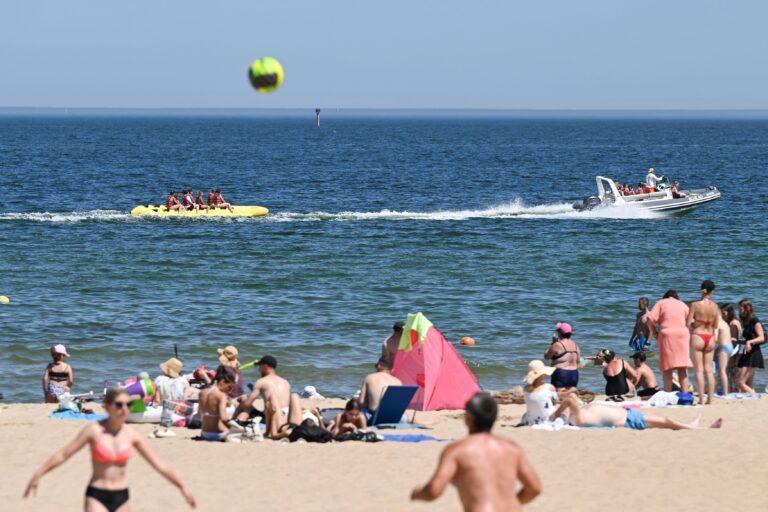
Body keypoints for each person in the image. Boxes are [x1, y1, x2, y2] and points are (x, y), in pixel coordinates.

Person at [24, 387, 196, 509]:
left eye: (128, 405)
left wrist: (183, 488)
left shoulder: (131, 434)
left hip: (122, 496)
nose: (124, 409)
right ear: (107, 406)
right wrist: (39, 474)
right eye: (119, 405)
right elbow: (64, 454)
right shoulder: (93, 430)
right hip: (97, 495)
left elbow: (158, 464)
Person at [411, 392, 542, 511]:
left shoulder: (456, 451)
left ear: (468, 419)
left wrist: (417, 493)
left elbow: (434, 491)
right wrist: (512, 502)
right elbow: (534, 488)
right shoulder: (512, 448)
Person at [550, 392, 722, 430]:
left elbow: (571, 399)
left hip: (628, 414)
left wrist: (559, 412)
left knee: (665, 420)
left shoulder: (577, 414)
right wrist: (557, 413)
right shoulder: (577, 418)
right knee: (666, 420)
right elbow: (570, 398)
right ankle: (695, 428)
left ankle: (690, 425)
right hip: (629, 420)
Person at [645, 289, 692, 392]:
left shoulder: (661, 303)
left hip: (667, 334)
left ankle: (668, 392)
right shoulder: (682, 304)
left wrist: (654, 332)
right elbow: (691, 322)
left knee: (667, 366)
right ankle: (685, 393)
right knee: (683, 366)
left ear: (665, 296)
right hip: (683, 334)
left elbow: (649, 319)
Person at [234, 355, 291, 434]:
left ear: (265, 366)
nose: (259, 370)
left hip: (272, 417)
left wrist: (242, 399)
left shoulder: (261, 381)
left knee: (244, 405)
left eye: (260, 367)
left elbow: (247, 405)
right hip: (286, 417)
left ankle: (234, 424)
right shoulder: (285, 382)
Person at [687, 280, 719, 404]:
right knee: (709, 370)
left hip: (698, 336)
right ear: (713, 292)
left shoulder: (695, 305)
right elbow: (716, 325)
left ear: (701, 290)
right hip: (710, 337)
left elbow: (688, 324)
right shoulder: (715, 306)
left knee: (699, 370)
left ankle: (701, 398)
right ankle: (710, 399)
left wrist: (695, 324)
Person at [199, 365, 238, 441]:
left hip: (204, 433)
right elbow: (224, 418)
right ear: (223, 381)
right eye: (229, 387)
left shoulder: (202, 392)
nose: (229, 391)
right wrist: (237, 427)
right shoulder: (221, 395)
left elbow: (199, 414)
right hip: (218, 434)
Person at [358, 356, 402, 421]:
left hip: (375, 417)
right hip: (396, 417)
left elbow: (361, 402)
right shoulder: (398, 382)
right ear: (392, 369)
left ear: (379, 366)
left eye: (376, 365)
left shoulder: (369, 377)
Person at [735, 300, 764, 393]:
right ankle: (751, 399)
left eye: (740, 308)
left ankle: (755, 396)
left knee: (740, 382)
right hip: (748, 352)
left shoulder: (755, 320)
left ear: (747, 309)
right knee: (748, 382)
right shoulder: (746, 321)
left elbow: (761, 338)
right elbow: (749, 339)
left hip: (754, 353)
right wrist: (738, 341)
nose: (739, 310)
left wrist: (749, 342)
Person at [543, 322, 582, 391]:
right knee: (570, 396)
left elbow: (546, 356)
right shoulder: (576, 345)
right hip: (574, 374)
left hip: (561, 373)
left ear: (560, 333)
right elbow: (579, 361)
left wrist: (553, 343)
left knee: (559, 396)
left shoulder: (557, 344)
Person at [520, 360, 558, 426]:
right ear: (541, 375)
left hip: (531, 421)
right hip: (548, 420)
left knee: (526, 414)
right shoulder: (549, 387)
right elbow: (555, 402)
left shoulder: (525, 389)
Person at [715, 304, 735, 395]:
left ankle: (725, 392)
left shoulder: (717, 324)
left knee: (722, 371)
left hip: (723, 347)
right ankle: (723, 390)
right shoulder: (725, 323)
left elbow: (715, 339)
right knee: (724, 370)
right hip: (729, 347)